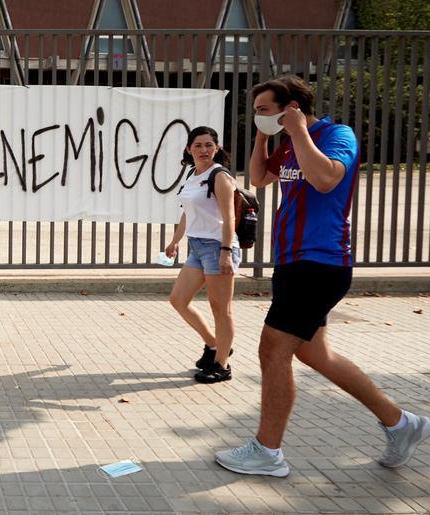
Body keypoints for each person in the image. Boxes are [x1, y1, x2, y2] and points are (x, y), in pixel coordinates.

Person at [215, 75, 429, 477]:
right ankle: (401, 423)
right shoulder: (288, 145)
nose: (259, 117)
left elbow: (327, 178)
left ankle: (268, 451)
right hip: (295, 263)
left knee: (272, 351)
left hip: (319, 263)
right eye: (256, 112)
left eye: (264, 111)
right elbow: (260, 178)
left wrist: (298, 133)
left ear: (292, 106)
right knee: (315, 353)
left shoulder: (335, 135)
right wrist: (264, 138)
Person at [164, 126, 239, 384]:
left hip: (218, 246)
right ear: (189, 149)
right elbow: (188, 211)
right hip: (197, 247)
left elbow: (230, 216)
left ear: (216, 148)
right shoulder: (193, 175)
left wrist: (227, 252)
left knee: (221, 309)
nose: (204, 150)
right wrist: (175, 240)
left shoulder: (220, 176)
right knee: (178, 299)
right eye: (198, 145)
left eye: (209, 145)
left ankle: (222, 366)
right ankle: (214, 345)